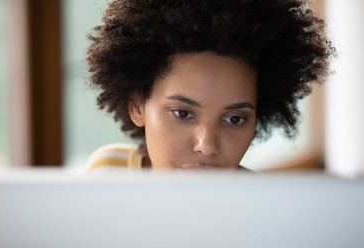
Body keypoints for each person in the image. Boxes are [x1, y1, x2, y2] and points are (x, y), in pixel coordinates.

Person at [85, 0, 334, 171]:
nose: (207, 145)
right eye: (182, 113)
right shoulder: (107, 171)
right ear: (137, 105)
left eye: (234, 119)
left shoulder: (259, 207)